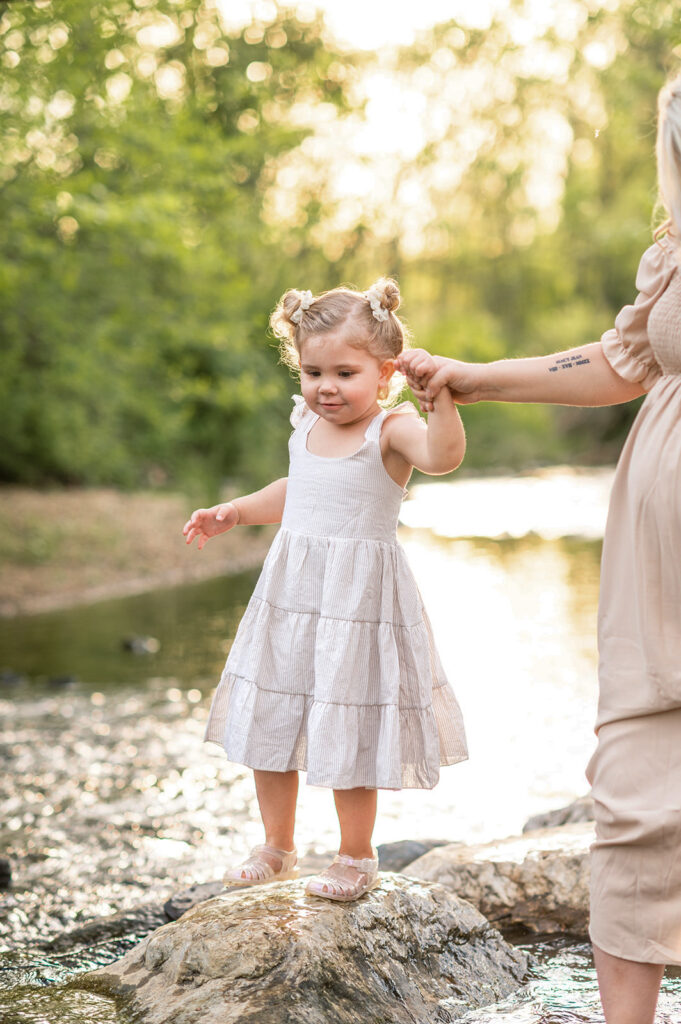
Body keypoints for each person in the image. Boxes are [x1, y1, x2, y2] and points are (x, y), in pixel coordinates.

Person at [396, 73, 681, 1024]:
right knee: (633, 804)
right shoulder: (673, 255)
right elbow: (614, 365)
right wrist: (474, 378)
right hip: (653, 586)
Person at [183, 278, 468, 902]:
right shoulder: (304, 420)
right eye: (314, 372)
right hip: (293, 593)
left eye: (345, 372)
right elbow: (299, 491)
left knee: (349, 718)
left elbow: (442, 457)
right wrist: (235, 510)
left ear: (386, 372)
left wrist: (440, 403)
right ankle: (276, 845)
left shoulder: (389, 430)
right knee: (274, 713)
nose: (326, 386)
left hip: (357, 601)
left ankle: (355, 856)